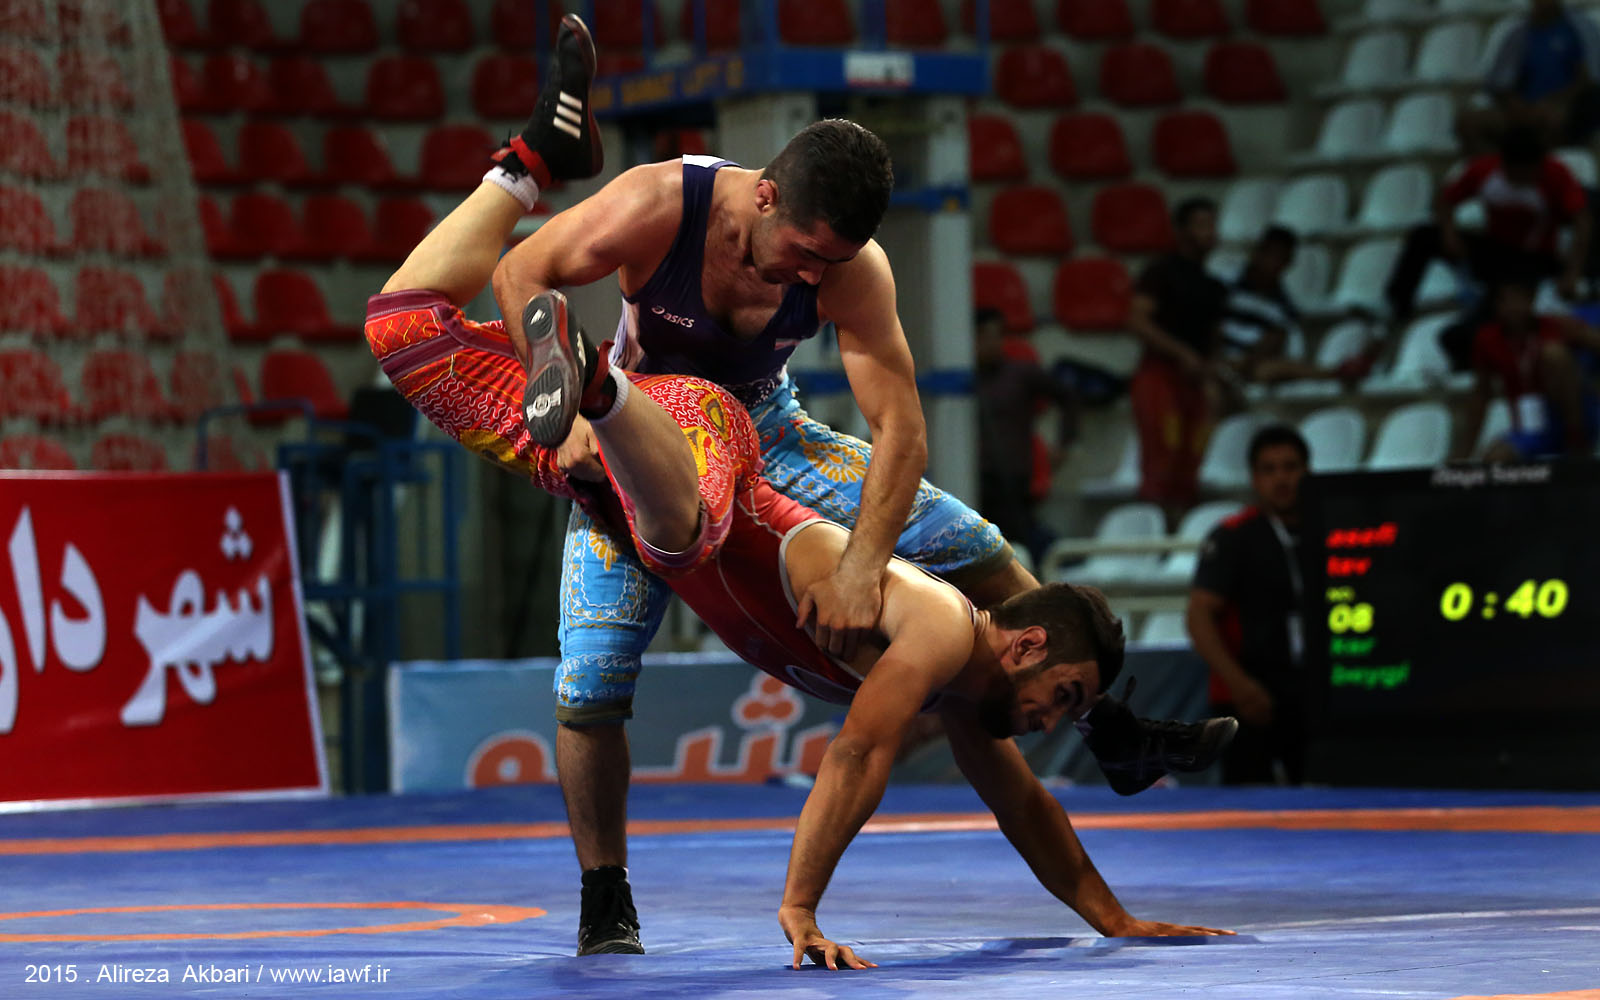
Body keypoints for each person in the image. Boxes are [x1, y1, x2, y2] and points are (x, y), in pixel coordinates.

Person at [482, 15, 1237, 956]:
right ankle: (605, 897)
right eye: (802, 253)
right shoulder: (659, 202)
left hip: (768, 432)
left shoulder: (851, 267)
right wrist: (557, 398)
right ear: (762, 196)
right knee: (590, 685)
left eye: (829, 264)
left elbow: (902, 430)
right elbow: (521, 269)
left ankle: (1107, 728)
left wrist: (862, 566)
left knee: (979, 548)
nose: (812, 275)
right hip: (647, 440)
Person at [1185, 426, 1312, 785]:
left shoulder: (1328, 529)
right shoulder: (1233, 536)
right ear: (1255, 479)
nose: (1281, 479)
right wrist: (1239, 685)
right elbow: (1198, 617)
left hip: (1312, 693)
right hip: (1247, 695)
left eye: (1290, 467)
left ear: (1308, 472)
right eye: (1269, 470)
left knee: (1324, 802)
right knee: (1247, 805)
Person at [1385, 126, 1590, 326]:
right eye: (1517, 175)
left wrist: (1572, 272)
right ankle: (1398, 304)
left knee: (1508, 290)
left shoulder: (1556, 175)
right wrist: (1449, 233)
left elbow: (1583, 221)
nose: (1523, 181)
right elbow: (1445, 199)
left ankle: (1484, 319)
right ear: (1504, 164)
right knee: (1423, 236)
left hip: (1535, 259)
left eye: (1529, 175)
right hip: (1495, 249)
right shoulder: (1484, 170)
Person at [1128, 197, 1229, 516]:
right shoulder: (1161, 273)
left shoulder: (1214, 286)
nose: (1210, 233)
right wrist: (1181, 353)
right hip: (1160, 375)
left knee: (1191, 461)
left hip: (1195, 380)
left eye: (1212, 225)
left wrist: (1212, 377)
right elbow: (1137, 321)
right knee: (1163, 456)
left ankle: (1179, 533)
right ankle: (1154, 529)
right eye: (1202, 225)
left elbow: (1214, 341)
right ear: (1182, 231)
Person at [1458, 278, 1600, 461]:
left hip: (1576, 418)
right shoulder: (1487, 339)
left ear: (1531, 300)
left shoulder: (1556, 325)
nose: (1513, 307)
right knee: (1495, 459)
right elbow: (1481, 394)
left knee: (1554, 354)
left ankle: (1577, 437)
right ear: (1496, 305)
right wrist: (1464, 454)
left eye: (1518, 298)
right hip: (1532, 427)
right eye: (1505, 300)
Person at [975, 308, 1076, 561]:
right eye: (983, 336)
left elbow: (1068, 396)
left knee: (1017, 545)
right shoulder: (961, 382)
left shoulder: (1020, 373)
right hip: (974, 477)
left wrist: (1064, 444)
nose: (991, 343)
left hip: (1014, 477)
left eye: (996, 336)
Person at [1220, 227, 1379, 387]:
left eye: (1281, 259)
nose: (1274, 264)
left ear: (1288, 263)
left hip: (1248, 365)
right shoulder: (1225, 283)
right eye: (1271, 255)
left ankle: (1335, 373)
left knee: (1274, 368)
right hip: (1215, 356)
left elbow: (1270, 345)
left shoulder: (1284, 307)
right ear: (1258, 253)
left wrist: (1246, 361)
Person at [1458, 0, 1600, 153]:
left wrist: (1553, 102)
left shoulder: (1575, 31)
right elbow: (1499, 82)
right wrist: (1516, 104)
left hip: (1560, 108)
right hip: (1520, 109)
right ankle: (1498, 164)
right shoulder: (1518, 33)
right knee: (1469, 122)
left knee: (1551, 120)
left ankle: (1541, 163)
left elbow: (1587, 79)